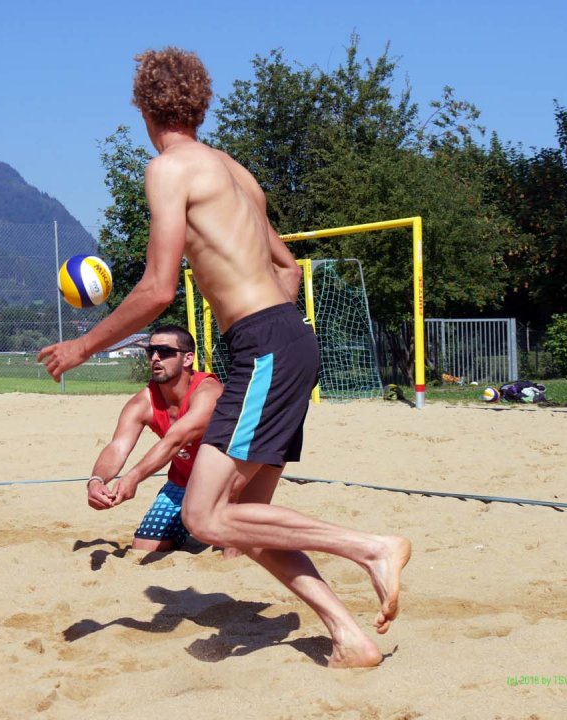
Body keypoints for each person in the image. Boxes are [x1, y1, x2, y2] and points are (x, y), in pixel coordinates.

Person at [38, 47, 410, 669]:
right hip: (282, 340)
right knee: (246, 520)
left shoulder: (170, 169)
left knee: (205, 516)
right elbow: (287, 269)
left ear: (142, 105)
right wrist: (264, 323)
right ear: (201, 103)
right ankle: (350, 635)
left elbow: (158, 289)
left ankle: (369, 548)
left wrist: (82, 346)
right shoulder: (236, 173)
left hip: (264, 347)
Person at [85, 325, 221, 552]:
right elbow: (118, 447)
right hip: (183, 482)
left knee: (230, 548)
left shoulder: (208, 392)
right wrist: (97, 480)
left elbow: (175, 440)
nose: (156, 357)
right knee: (143, 547)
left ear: (188, 358)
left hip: (227, 484)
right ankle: (191, 524)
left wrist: (133, 477)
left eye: (165, 351)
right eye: (151, 351)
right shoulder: (144, 401)